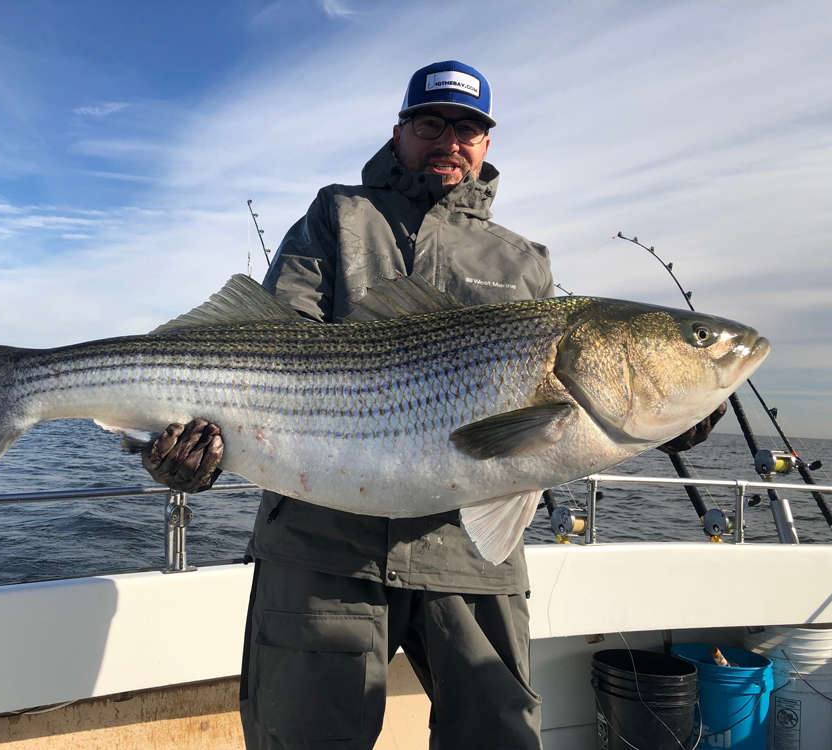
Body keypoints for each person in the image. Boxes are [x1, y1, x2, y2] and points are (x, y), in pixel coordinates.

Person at [141, 61, 725, 750]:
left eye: (468, 128)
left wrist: (669, 419)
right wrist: (200, 449)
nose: (450, 141)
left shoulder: (524, 262)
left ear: (486, 143)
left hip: (473, 558)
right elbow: (272, 346)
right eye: (431, 123)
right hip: (322, 548)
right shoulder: (339, 214)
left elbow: (558, 428)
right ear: (400, 132)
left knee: (500, 736)